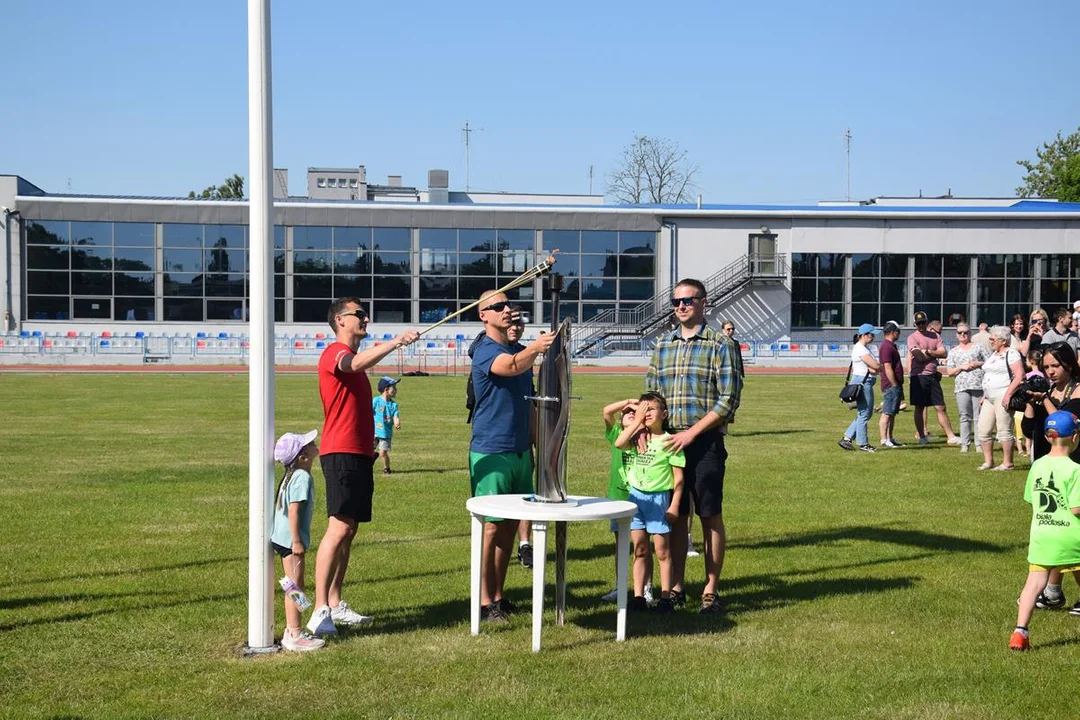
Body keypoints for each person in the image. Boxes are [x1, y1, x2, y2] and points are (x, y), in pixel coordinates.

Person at [307, 298, 420, 636]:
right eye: (359, 314)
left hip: (358, 453)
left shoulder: (356, 361)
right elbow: (351, 365)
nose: (366, 318)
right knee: (338, 528)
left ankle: (335, 602)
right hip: (339, 452)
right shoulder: (334, 354)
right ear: (341, 320)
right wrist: (396, 341)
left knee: (350, 530)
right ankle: (318, 610)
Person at [645, 277, 742, 615]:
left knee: (709, 514)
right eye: (675, 302)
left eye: (687, 300)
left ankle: (711, 590)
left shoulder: (719, 344)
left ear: (704, 303)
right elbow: (651, 396)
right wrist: (646, 428)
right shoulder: (662, 345)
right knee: (674, 515)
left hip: (704, 442)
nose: (681, 306)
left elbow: (729, 399)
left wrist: (693, 433)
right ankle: (673, 590)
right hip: (668, 444)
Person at [470, 289, 556, 623]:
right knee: (491, 529)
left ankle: (498, 597)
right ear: (484, 315)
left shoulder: (521, 352)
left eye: (509, 305)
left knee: (507, 529)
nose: (507, 310)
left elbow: (531, 403)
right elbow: (507, 367)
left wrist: (537, 447)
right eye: (498, 306)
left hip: (520, 451)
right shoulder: (485, 350)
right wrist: (536, 347)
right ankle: (482, 601)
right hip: (492, 450)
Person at [1009, 411, 1080, 651]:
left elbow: (1031, 499)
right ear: (1075, 436)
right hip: (1071, 537)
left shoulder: (1037, 465)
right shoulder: (1075, 470)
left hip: (1042, 535)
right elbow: (1077, 508)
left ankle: (1020, 632)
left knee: (1033, 583)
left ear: (1049, 438)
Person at [615, 392, 685, 614]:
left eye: (651, 409)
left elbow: (679, 479)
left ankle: (665, 597)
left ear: (664, 414)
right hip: (636, 499)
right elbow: (618, 443)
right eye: (642, 409)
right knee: (640, 549)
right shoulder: (637, 438)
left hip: (658, 499)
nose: (646, 414)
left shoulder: (670, 442)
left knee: (662, 551)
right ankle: (638, 597)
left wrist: (674, 505)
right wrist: (636, 422)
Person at [271, 430, 325, 652]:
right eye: (310, 444)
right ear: (302, 457)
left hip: (282, 539)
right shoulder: (301, 477)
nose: (314, 443)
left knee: (293, 585)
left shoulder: (292, 474)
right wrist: (297, 542)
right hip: (290, 542)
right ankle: (294, 633)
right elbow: (293, 512)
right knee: (295, 587)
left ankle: (294, 628)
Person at [601, 398, 654, 604]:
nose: (630, 414)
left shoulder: (645, 437)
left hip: (640, 498)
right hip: (619, 500)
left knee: (642, 546)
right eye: (626, 413)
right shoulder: (616, 434)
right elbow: (606, 411)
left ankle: (646, 587)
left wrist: (639, 418)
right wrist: (631, 402)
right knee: (621, 546)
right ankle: (619, 585)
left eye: (635, 412)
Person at [906, 310, 960, 445]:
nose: (921, 325)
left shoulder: (935, 336)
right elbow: (918, 356)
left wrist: (929, 352)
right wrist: (934, 354)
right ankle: (922, 436)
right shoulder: (912, 338)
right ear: (915, 324)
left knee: (940, 407)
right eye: (918, 323)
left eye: (923, 322)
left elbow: (944, 353)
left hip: (933, 376)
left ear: (927, 322)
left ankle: (951, 436)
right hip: (919, 376)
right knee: (920, 407)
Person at [506, 306, 533, 570]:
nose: (515, 327)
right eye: (511, 323)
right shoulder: (488, 348)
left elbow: (531, 400)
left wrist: (536, 437)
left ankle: (525, 544)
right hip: (498, 443)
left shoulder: (526, 354)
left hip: (523, 442)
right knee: (498, 511)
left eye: (519, 324)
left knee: (526, 497)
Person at [976, 325, 1024, 471]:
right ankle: (988, 461)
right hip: (989, 398)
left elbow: (1020, 375)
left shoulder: (1012, 353)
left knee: (1004, 430)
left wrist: (1008, 395)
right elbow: (989, 375)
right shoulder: (994, 354)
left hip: (1003, 395)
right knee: (983, 429)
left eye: (993, 339)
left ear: (1003, 341)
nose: (990, 341)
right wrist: (985, 395)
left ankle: (1007, 463)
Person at [941, 323, 986, 453]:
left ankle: (979, 445)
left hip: (977, 385)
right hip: (961, 387)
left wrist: (977, 363)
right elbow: (949, 371)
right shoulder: (954, 351)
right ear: (956, 334)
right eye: (960, 332)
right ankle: (965, 445)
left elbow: (989, 361)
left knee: (978, 416)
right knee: (964, 416)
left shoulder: (979, 347)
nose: (963, 335)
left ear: (970, 333)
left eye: (965, 332)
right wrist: (961, 367)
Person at [838, 323, 881, 453]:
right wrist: (878, 368)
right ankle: (863, 444)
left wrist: (876, 368)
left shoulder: (863, 348)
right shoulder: (861, 349)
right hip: (863, 382)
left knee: (863, 412)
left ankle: (847, 438)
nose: (873, 337)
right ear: (864, 335)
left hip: (863, 381)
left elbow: (874, 368)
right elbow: (875, 365)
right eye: (871, 335)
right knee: (865, 413)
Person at [877, 321, 905, 448]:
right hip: (891, 385)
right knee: (887, 413)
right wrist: (894, 384)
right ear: (893, 332)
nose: (899, 334)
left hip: (895, 384)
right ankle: (884, 439)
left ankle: (890, 437)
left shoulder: (891, 346)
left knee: (892, 413)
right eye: (898, 332)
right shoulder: (886, 347)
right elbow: (887, 367)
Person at [372, 376, 401, 475]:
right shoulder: (376, 401)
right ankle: (368, 461)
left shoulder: (393, 405)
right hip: (374, 432)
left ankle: (387, 468)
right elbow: (368, 412)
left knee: (382, 453)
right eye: (394, 387)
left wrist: (397, 422)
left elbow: (395, 416)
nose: (396, 390)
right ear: (386, 389)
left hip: (385, 434)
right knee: (367, 450)